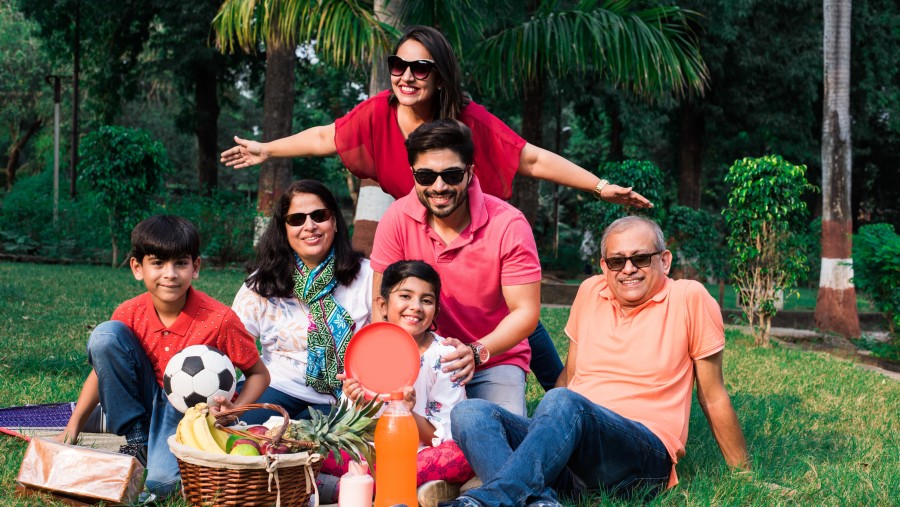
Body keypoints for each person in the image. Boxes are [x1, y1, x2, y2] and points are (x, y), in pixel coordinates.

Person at [220, 25, 652, 392]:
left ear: (440, 76)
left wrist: (599, 186)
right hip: (419, 235)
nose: (406, 76)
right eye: (398, 65)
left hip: (473, 236)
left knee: (509, 315)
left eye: (421, 68)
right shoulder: (378, 115)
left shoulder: (468, 122)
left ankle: (569, 399)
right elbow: (323, 138)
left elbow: (531, 158)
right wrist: (266, 149)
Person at [441, 216, 750, 507]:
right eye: (617, 261)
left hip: (642, 456)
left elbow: (712, 394)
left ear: (665, 261)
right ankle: (541, 501)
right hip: (576, 449)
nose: (628, 269)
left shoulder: (689, 297)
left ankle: (491, 499)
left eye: (640, 258)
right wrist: (544, 436)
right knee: (470, 412)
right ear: (605, 266)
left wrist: (743, 474)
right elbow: (570, 377)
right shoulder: (590, 291)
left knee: (564, 401)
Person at [55, 215, 270, 499]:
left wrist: (232, 412)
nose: (170, 273)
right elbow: (102, 370)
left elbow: (259, 374)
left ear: (196, 267)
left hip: (184, 413)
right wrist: (72, 430)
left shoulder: (220, 320)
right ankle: (137, 438)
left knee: (161, 486)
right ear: (137, 267)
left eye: (180, 263)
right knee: (105, 335)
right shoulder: (129, 313)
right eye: (157, 263)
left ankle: (150, 445)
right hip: (142, 395)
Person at [370, 119, 541, 417]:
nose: (439, 187)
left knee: (496, 441)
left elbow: (525, 313)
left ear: (470, 171)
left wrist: (475, 352)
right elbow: (381, 307)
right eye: (425, 175)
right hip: (416, 355)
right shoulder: (396, 218)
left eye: (451, 174)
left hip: (493, 359)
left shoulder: (508, 224)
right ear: (413, 174)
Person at [231, 180, 373, 424]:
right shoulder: (263, 283)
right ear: (284, 229)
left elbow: (396, 337)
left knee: (320, 450)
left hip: (343, 397)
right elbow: (230, 342)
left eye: (319, 215)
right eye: (297, 219)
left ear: (335, 222)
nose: (310, 226)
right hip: (276, 386)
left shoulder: (368, 276)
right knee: (242, 434)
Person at [336, 260, 474, 506]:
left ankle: (353, 486)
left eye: (426, 300)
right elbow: (346, 432)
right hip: (369, 453)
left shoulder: (444, 356)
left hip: (418, 457)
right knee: (318, 448)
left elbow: (445, 436)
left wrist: (407, 412)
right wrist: (356, 402)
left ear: (436, 311)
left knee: (463, 456)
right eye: (405, 296)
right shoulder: (365, 348)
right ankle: (417, 488)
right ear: (383, 305)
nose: (415, 307)